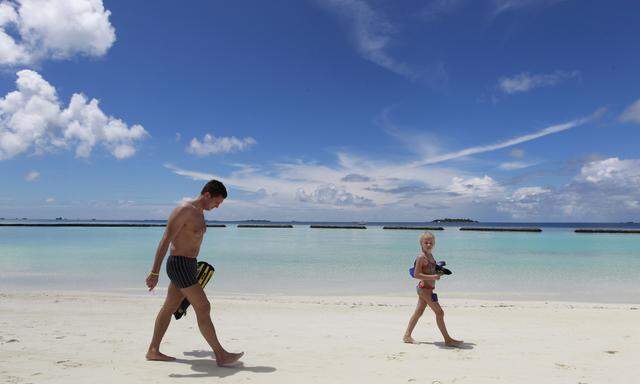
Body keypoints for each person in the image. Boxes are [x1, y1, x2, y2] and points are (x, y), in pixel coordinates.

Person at [145, 180, 244, 366]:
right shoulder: (185, 210)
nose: (217, 206)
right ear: (207, 194)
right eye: (217, 202)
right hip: (179, 265)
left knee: (170, 307)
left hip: (189, 265)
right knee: (203, 306)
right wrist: (154, 273)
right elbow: (165, 240)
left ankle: (153, 350)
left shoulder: (199, 213)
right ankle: (221, 355)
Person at [403, 232, 463, 346]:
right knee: (439, 312)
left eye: (431, 242)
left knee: (418, 312)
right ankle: (448, 340)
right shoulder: (421, 257)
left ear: (434, 243)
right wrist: (433, 277)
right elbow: (416, 274)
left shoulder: (430, 256)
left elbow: (429, 269)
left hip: (428, 289)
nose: (429, 244)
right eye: (426, 242)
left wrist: (439, 270)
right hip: (424, 289)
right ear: (421, 243)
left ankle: (407, 336)